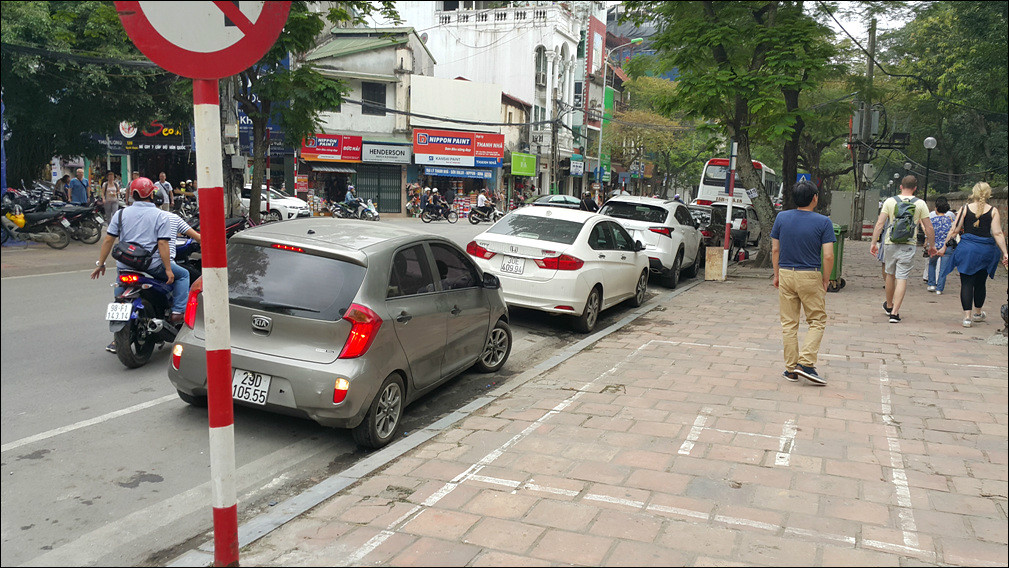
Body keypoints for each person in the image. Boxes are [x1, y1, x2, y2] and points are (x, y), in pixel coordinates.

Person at [90, 177, 176, 353]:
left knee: (120, 292)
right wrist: (168, 269)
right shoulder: (161, 215)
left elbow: (108, 240)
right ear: (152, 194)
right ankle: (177, 313)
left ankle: (116, 339)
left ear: (132, 194)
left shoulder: (121, 214)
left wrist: (101, 263)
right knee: (182, 276)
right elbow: (163, 245)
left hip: (125, 266)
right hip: (150, 266)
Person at [771, 179, 835, 386]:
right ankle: (806, 363)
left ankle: (791, 369)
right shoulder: (823, 222)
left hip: (786, 272)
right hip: (810, 274)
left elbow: (775, 250)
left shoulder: (781, 217)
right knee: (816, 320)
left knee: (789, 323)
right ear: (815, 198)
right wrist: (826, 278)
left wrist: (776, 274)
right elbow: (828, 255)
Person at [938, 182, 1009, 328]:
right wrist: (1005, 252)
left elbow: (954, 230)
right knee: (980, 283)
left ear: (974, 193)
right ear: (988, 194)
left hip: (967, 250)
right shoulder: (993, 211)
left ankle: (967, 317)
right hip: (985, 251)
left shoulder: (964, 208)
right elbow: (997, 233)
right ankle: (978, 313)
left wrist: (944, 245)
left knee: (967, 282)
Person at [869, 175, 936, 324]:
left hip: (890, 242)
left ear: (900, 186)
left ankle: (889, 305)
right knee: (902, 277)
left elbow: (880, 224)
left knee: (890, 274)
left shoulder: (890, 201)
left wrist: (874, 242)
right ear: (915, 188)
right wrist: (932, 245)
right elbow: (929, 227)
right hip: (908, 244)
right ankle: (895, 313)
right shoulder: (920, 204)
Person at [926, 196, 955, 294]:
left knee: (932, 264)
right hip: (946, 247)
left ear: (936, 209)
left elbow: (929, 233)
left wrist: (929, 244)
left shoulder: (932, 221)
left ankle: (931, 284)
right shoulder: (950, 220)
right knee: (943, 269)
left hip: (935, 246)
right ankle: (939, 288)